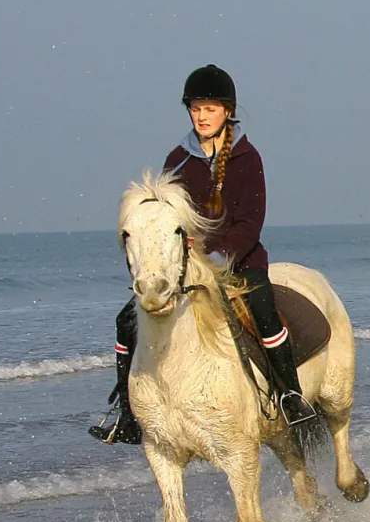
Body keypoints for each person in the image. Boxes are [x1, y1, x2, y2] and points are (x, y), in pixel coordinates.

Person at [90, 64, 314, 444]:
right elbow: (165, 220)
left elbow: (251, 222)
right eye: (195, 109)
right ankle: (127, 415)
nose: (202, 116)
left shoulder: (248, 158)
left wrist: (220, 257)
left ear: (228, 111)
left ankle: (291, 395)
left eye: (210, 109)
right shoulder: (177, 159)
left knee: (264, 312)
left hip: (240, 262)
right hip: (188, 269)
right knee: (126, 321)